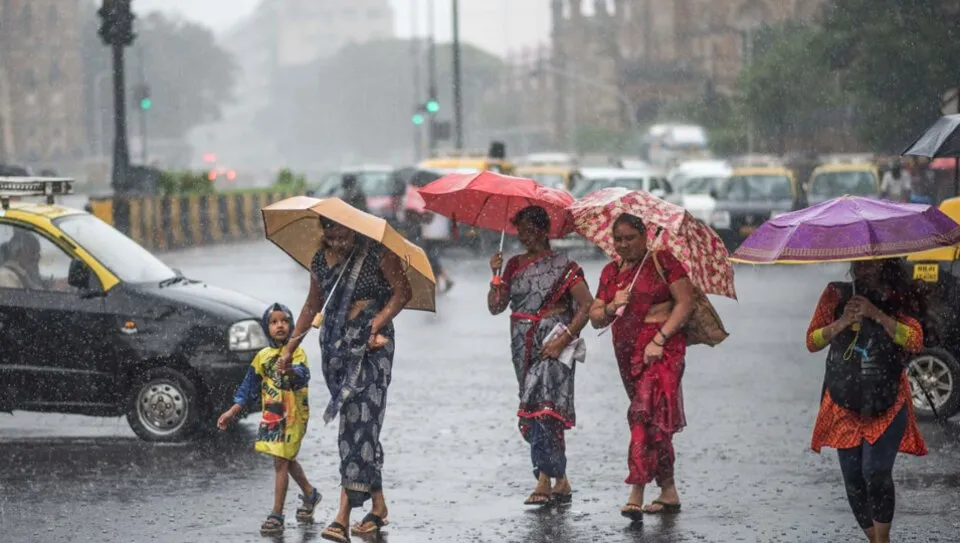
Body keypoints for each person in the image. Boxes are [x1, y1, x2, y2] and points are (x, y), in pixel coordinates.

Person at [280, 216, 412, 543]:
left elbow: (402, 292)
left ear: (353, 229)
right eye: (331, 234)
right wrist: (288, 349)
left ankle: (342, 516)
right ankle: (378, 506)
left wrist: (376, 324)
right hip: (336, 349)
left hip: (373, 348)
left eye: (343, 234)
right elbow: (312, 306)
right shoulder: (319, 261)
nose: (338, 241)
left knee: (359, 426)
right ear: (323, 231)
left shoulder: (378, 253)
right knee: (358, 430)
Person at [806, 259, 927, 543]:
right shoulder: (836, 294)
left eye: (872, 261)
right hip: (843, 402)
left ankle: (882, 539)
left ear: (884, 262)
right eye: (860, 261)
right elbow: (812, 342)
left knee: (875, 471)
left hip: (887, 400)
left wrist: (878, 315)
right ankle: (874, 538)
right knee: (854, 479)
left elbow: (914, 341)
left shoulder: (897, 296)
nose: (865, 266)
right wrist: (841, 323)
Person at [587, 213, 696, 523]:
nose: (623, 245)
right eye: (618, 239)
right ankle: (669, 489)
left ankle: (636, 491)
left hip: (661, 351)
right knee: (657, 423)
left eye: (629, 238)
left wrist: (660, 339)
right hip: (628, 354)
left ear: (645, 236)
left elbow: (685, 303)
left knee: (642, 414)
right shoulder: (611, 273)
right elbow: (595, 316)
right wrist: (610, 305)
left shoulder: (662, 262)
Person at [487, 205, 594, 506]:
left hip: (552, 344)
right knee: (531, 407)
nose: (525, 237)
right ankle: (560, 478)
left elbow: (586, 305)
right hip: (522, 345)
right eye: (520, 231)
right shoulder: (513, 265)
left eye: (531, 231)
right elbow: (496, 306)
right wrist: (495, 276)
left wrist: (563, 340)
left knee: (546, 409)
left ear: (544, 231)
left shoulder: (564, 267)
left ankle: (544, 479)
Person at [217, 303, 320, 537]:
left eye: (284, 320)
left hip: (294, 415)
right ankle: (310, 493)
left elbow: (303, 377)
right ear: (267, 328)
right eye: (273, 322)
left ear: (292, 325)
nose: (279, 325)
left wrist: (290, 370)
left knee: (281, 461)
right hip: (273, 415)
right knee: (285, 459)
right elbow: (248, 387)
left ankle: (277, 515)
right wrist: (233, 411)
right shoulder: (262, 357)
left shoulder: (296, 353)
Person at [421, 210, 454, 293]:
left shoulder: (432, 209)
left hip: (432, 237)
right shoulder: (440, 208)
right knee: (433, 260)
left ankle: (445, 279)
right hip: (434, 236)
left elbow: (428, 220)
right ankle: (439, 285)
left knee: (433, 260)